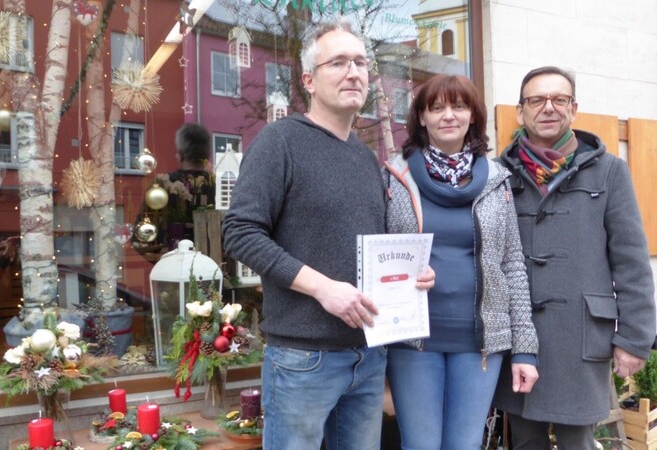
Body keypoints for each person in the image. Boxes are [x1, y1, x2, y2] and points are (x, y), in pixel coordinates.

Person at [223, 19, 434, 450]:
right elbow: (240, 232)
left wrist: (411, 275)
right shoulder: (279, 143)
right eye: (337, 62)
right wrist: (322, 288)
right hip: (303, 358)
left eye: (360, 62)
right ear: (309, 80)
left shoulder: (364, 157)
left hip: (368, 354)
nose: (353, 72)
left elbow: (371, 247)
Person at [492, 66, 656, 449]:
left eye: (559, 99)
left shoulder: (609, 171)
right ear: (521, 111)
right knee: (525, 438)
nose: (548, 108)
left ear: (573, 108)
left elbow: (631, 261)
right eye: (536, 100)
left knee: (577, 440)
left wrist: (634, 338)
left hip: (581, 335)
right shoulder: (499, 174)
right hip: (519, 336)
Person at [381, 74, 539, 449]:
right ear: (421, 118)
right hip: (412, 340)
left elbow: (513, 263)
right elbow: (376, 257)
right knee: (419, 444)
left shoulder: (498, 180)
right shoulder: (394, 176)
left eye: (458, 106)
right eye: (436, 108)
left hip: (480, 343)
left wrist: (525, 348)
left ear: (473, 116)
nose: (447, 115)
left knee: (465, 445)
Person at [135, 123, 215, 254]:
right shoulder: (217, 184)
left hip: (168, 262)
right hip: (213, 262)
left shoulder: (160, 185)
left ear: (180, 154)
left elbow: (142, 235)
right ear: (207, 155)